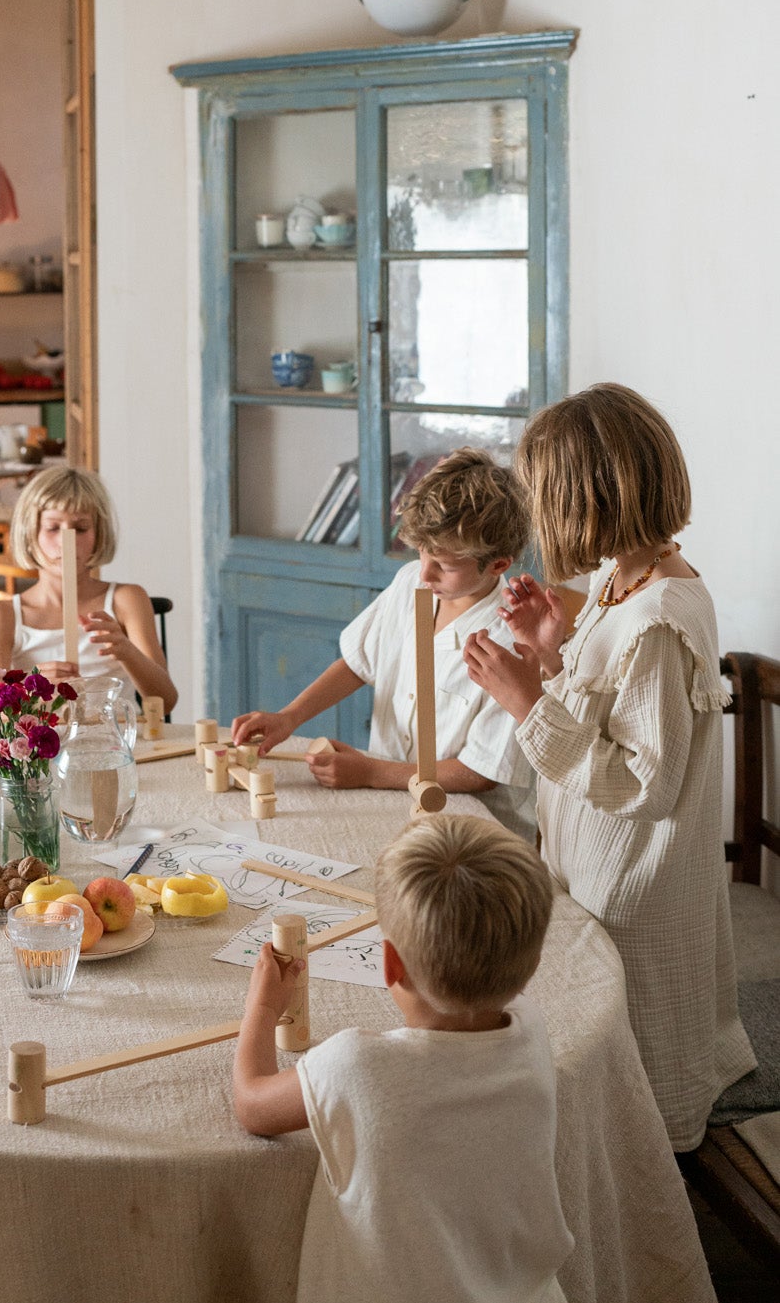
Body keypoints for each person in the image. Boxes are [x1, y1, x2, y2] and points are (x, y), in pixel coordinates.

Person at [462, 383, 755, 1151]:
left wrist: (526, 700)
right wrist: (551, 648)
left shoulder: (658, 619)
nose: (536, 517)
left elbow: (642, 783)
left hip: (629, 885)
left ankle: (641, 1167)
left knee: (629, 1056)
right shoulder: (621, 582)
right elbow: (607, 707)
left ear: (584, 498)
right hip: (591, 862)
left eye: (541, 496)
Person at [234, 815, 572, 1303]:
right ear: (532, 966)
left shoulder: (357, 1066)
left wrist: (262, 1007)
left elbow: (252, 1104)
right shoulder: (532, 1029)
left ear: (390, 964)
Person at [231, 448, 536, 835]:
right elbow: (358, 662)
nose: (425, 572)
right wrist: (288, 717)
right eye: (421, 552)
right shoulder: (410, 582)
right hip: (393, 803)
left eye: (444, 565)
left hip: (472, 830)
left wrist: (372, 772)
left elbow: (482, 772)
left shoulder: (511, 642)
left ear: (498, 564)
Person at [0, 465, 177, 712]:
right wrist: (31, 688)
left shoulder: (126, 600)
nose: (66, 540)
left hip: (116, 744)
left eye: (80, 529)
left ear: (99, 534)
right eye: (52, 528)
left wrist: (127, 652)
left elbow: (165, 702)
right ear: (30, 534)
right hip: (41, 747)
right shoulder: (2, 618)